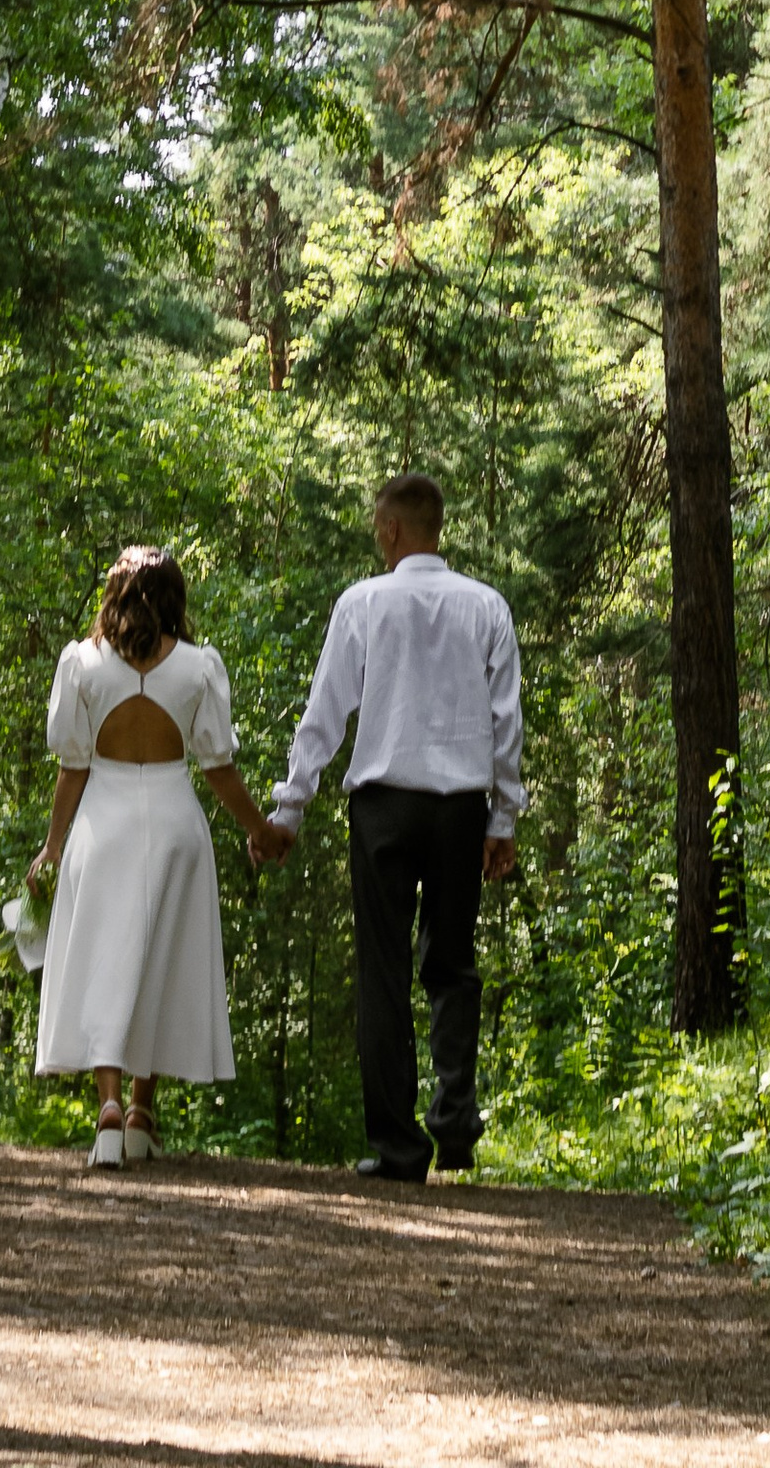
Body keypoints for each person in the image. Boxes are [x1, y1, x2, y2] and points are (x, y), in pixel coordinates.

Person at [254, 471, 524, 1182]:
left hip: (382, 805)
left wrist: (290, 807)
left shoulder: (363, 603)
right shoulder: (486, 606)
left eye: (379, 522)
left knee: (383, 970)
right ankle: (456, 1123)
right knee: (452, 960)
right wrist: (504, 817)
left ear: (396, 528)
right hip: (461, 807)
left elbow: (326, 712)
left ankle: (399, 1147)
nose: (377, 532)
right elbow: (506, 719)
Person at [29, 544, 273, 1168]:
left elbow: (71, 766)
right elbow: (218, 767)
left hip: (103, 822)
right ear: (174, 597)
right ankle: (141, 1109)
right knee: (160, 958)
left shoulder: (82, 664)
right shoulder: (198, 667)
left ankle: (108, 1105)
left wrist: (53, 847)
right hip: (173, 821)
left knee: (106, 959)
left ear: (113, 595)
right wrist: (260, 829)